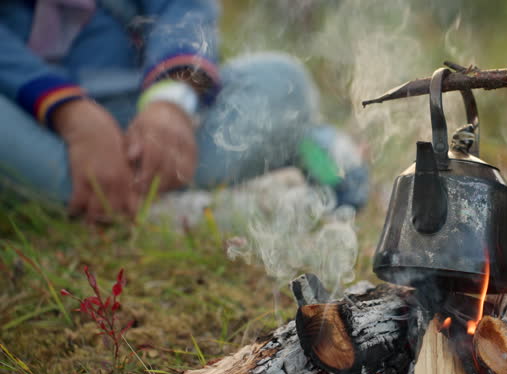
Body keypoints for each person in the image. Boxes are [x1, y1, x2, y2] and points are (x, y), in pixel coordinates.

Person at [0, 0, 369, 223]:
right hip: (35, 126)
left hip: (154, 113)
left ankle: (138, 200)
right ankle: (197, 205)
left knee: (282, 80)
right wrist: (69, 111)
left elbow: (183, 8)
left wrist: (170, 102)